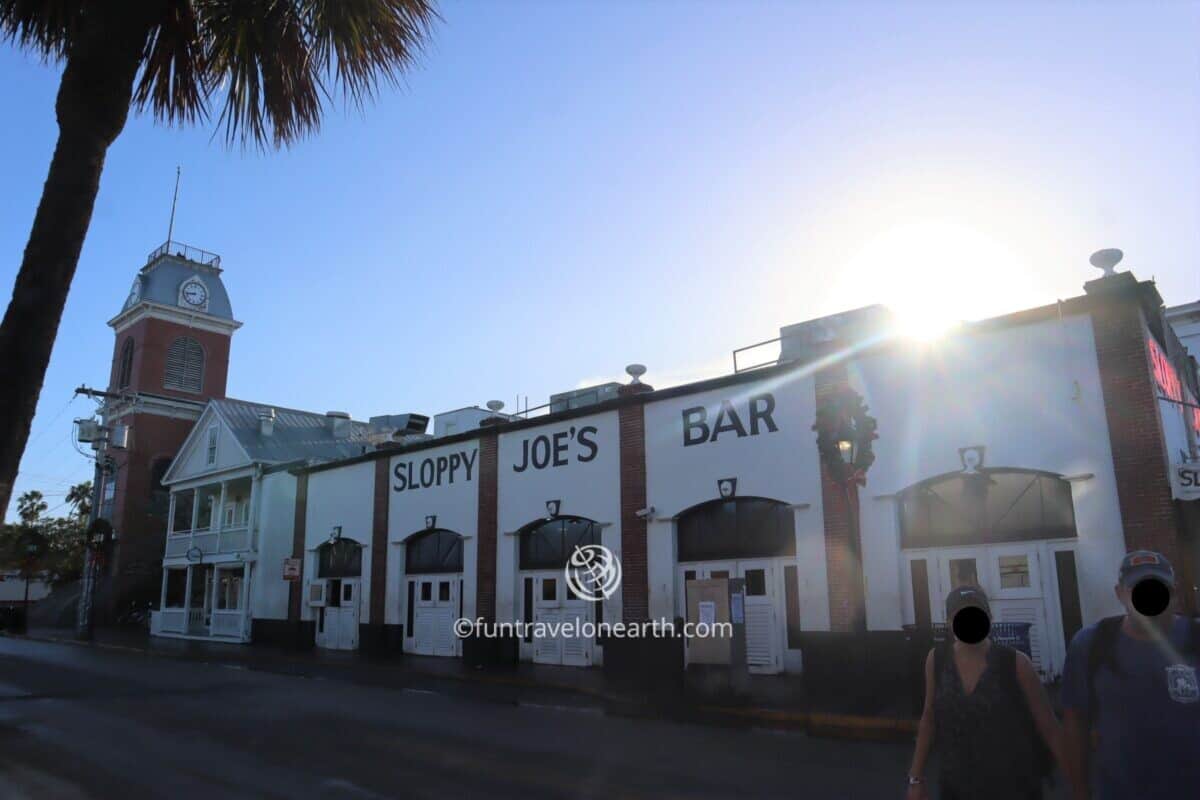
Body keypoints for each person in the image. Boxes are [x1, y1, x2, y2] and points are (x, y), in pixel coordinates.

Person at [1060, 551, 1200, 800]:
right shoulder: (1091, 645)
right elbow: (1074, 723)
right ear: (1120, 593)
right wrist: (1080, 792)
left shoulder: (1195, 639)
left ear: (1175, 594)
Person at [906, 585, 1063, 800]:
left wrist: (1078, 786)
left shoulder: (1015, 663)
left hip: (1015, 788)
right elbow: (929, 717)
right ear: (950, 622)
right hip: (956, 788)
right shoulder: (937, 660)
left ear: (989, 617)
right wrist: (916, 778)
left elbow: (1050, 728)